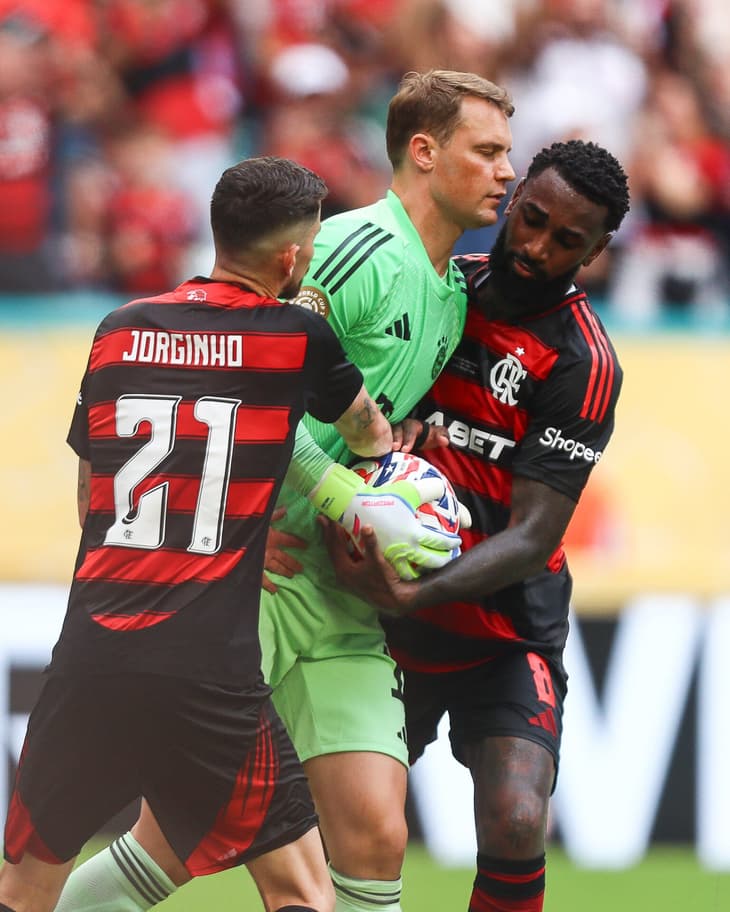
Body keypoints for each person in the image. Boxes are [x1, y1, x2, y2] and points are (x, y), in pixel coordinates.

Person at [54, 69, 516, 912]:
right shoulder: (349, 249)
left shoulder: (451, 292)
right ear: (423, 152)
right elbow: (240, 381)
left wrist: (400, 457)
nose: (504, 171)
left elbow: (353, 411)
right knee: (175, 845)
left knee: (374, 836)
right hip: (255, 583)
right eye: (486, 151)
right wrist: (317, 500)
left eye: (505, 154)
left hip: (341, 592)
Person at [0, 155, 404, 912]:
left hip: (92, 656)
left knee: (23, 891)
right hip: (207, 670)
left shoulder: (118, 330)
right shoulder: (295, 335)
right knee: (302, 890)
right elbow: (368, 432)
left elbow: (92, 500)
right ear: (291, 257)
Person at [322, 139, 631, 912]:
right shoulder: (439, 290)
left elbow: (534, 536)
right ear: (514, 197)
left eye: (567, 240)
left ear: (595, 252)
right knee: (337, 827)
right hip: (382, 621)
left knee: (518, 817)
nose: (536, 247)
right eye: (533, 219)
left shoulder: (582, 362)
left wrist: (414, 594)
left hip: (502, 629)